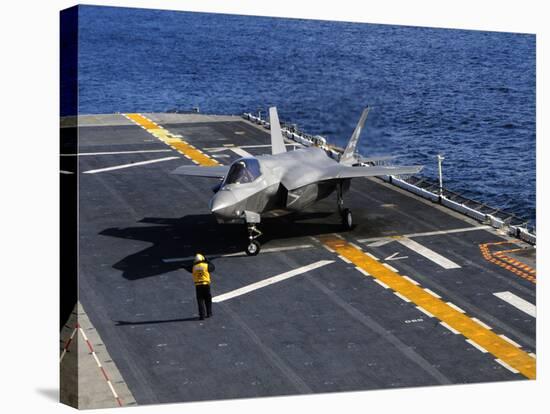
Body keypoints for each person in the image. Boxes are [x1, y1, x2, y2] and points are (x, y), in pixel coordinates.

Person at [192, 253, 215, 320]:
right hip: (206, 285)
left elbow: (189, 269)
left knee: (200, 300)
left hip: (198, 286)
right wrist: (208, 261)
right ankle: (209, 313)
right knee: (208, 299)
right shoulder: (206, 265)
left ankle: (202, 316)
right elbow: (213, 268)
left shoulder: (194, 267)